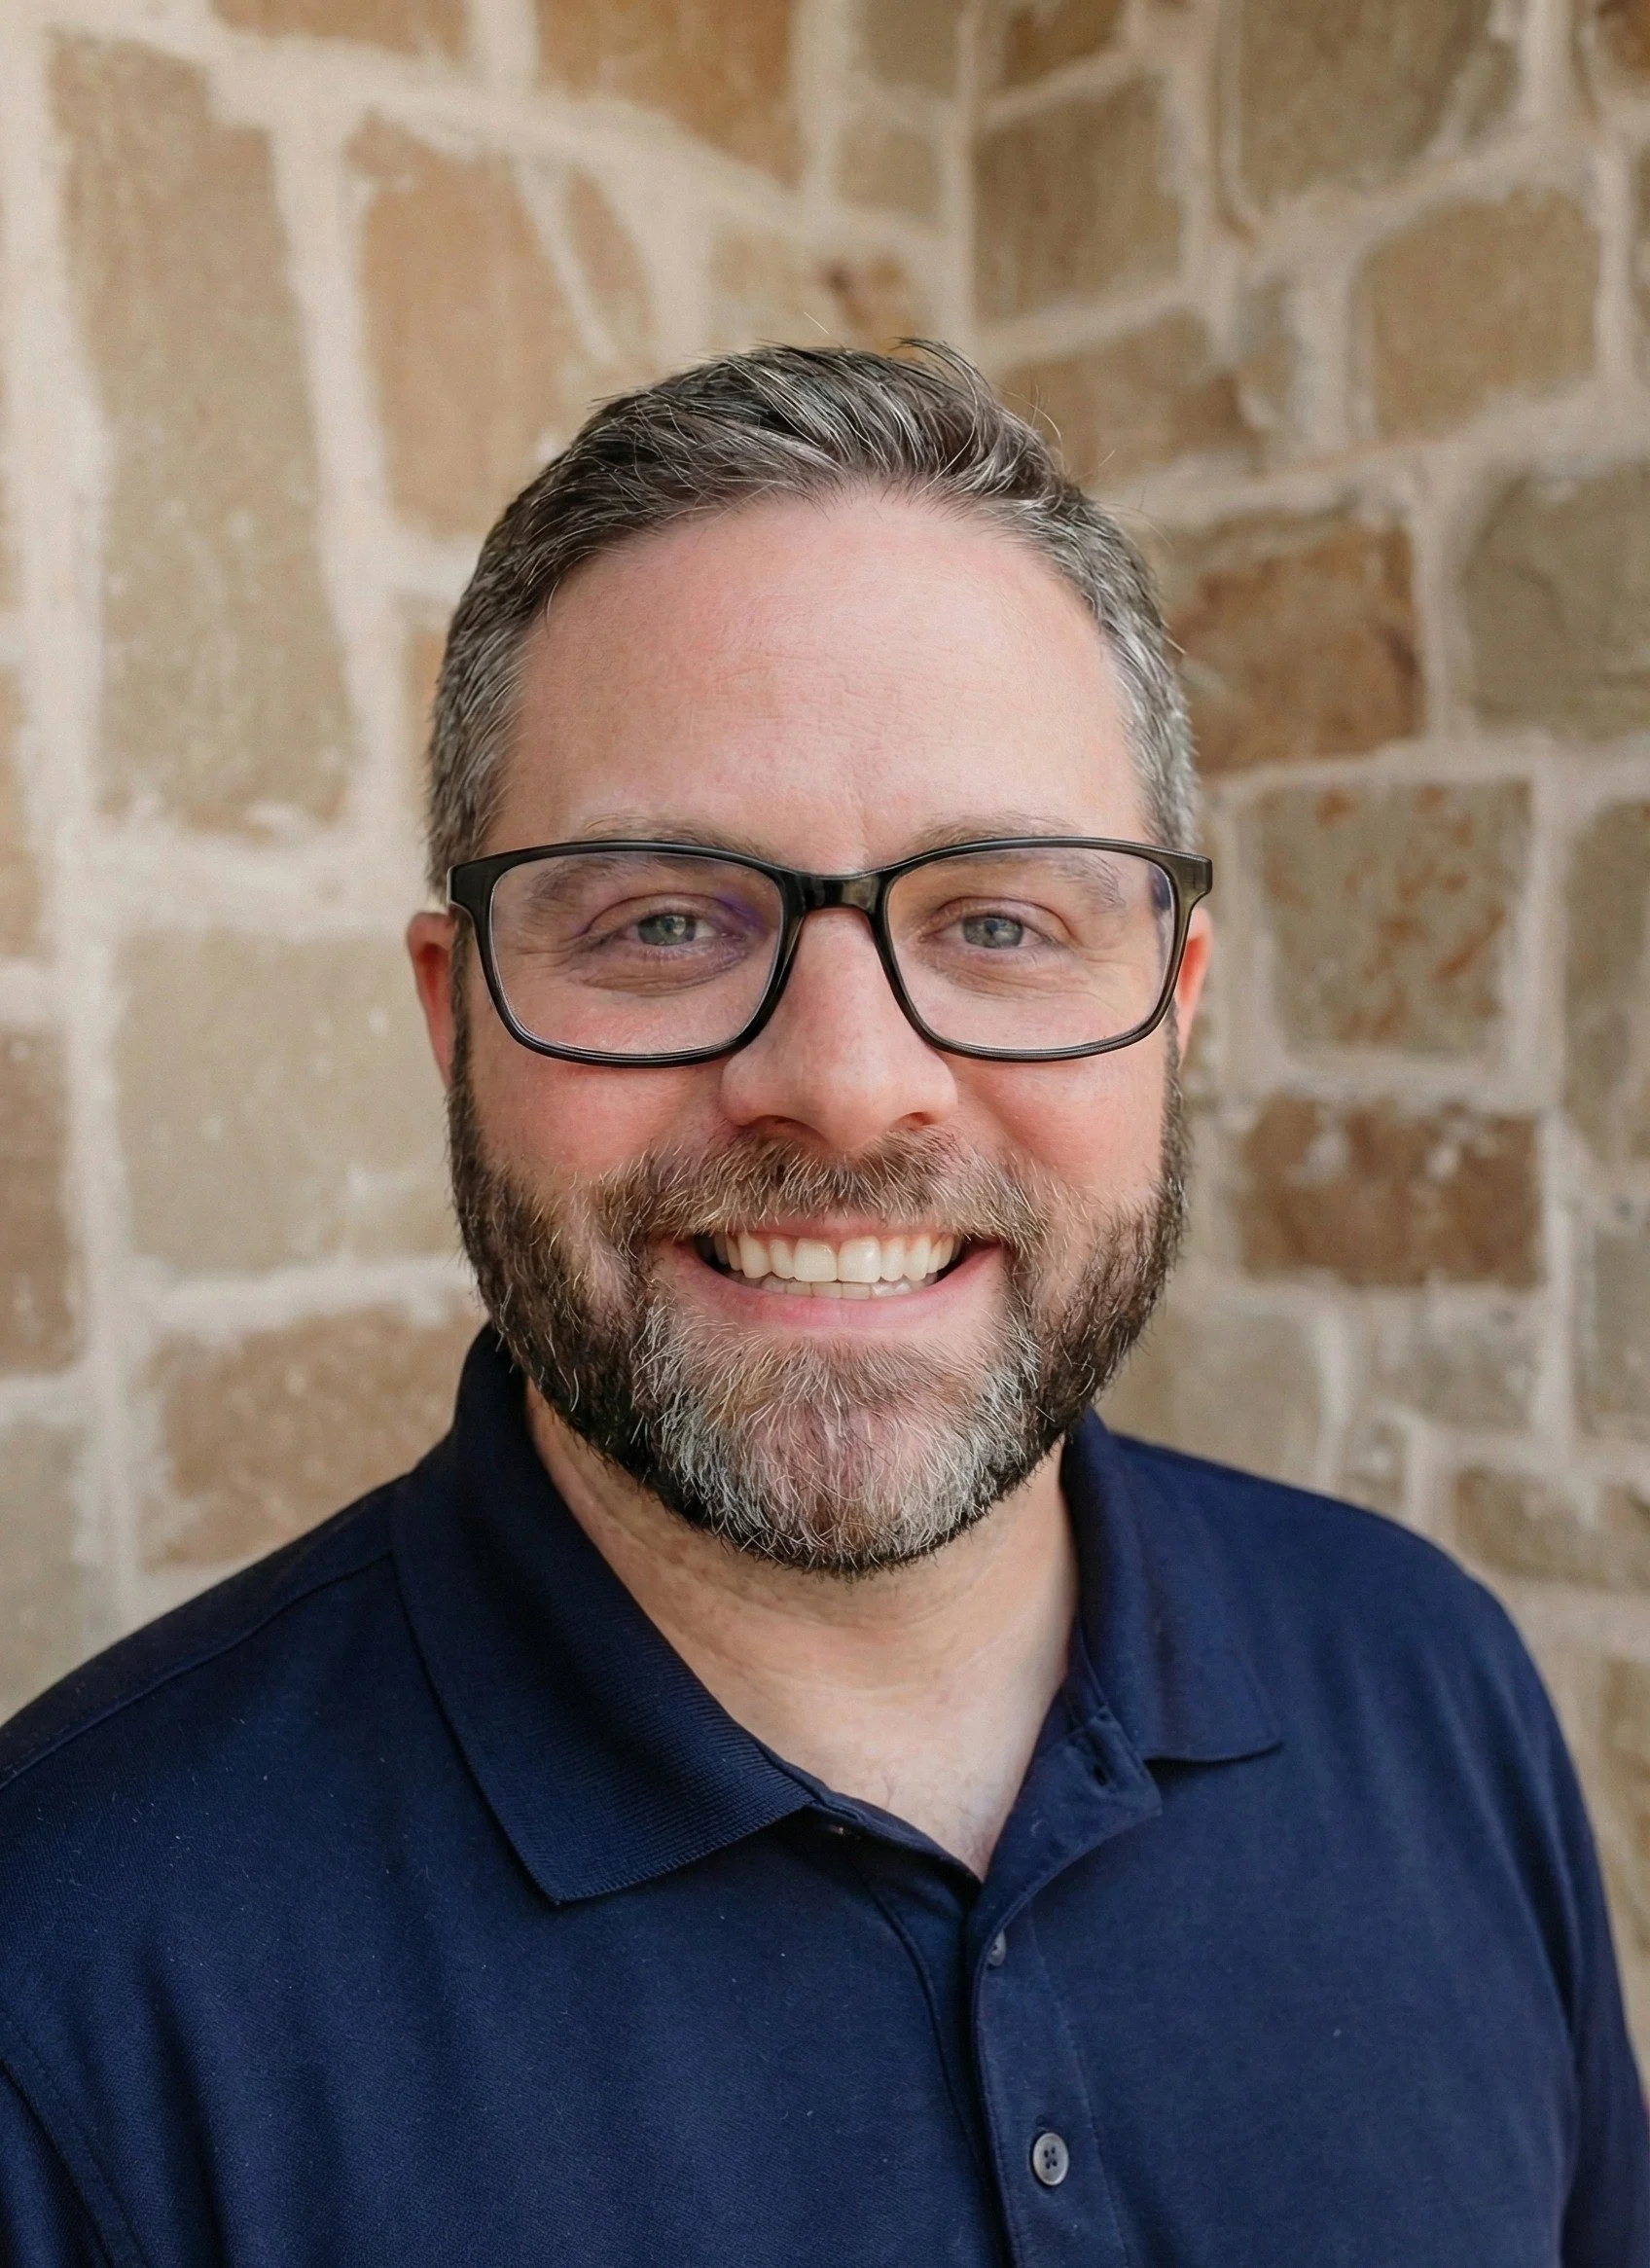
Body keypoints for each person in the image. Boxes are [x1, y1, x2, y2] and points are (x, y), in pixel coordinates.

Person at [0, 345, 1643, 2266]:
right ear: (455, 1018)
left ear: (1177, 1003)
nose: (850, 1082)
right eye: (663, 922)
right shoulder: (63, 1985)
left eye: (999, 920)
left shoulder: (1429, 1685)